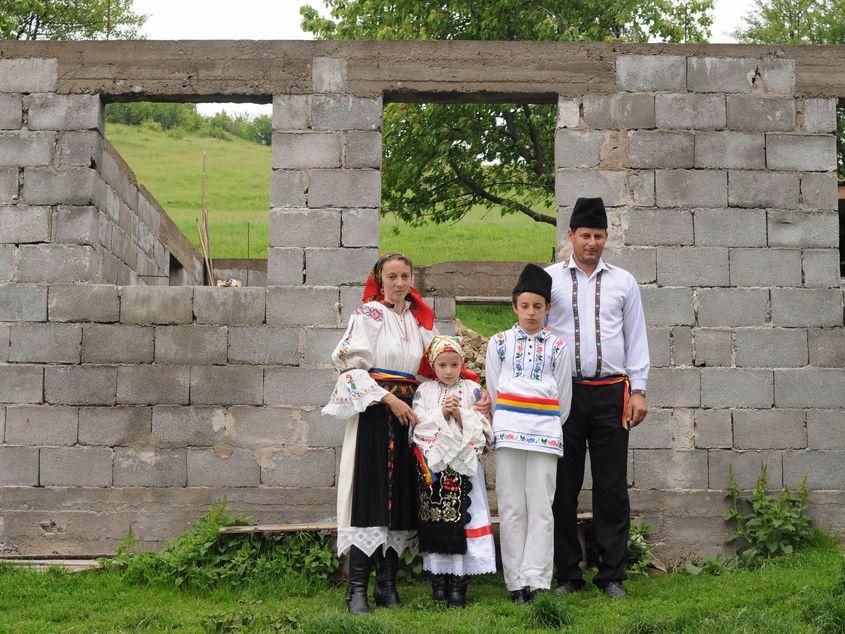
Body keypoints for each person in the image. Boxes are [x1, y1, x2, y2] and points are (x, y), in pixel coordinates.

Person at [322, 253, 490, 615]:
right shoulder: (367, 315)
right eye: (392, 277)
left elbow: (439, 370)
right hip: (375, 412)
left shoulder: (417, 323)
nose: (399, 283)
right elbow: (349, 367)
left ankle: (387, 585)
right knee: (370, 493)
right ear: (380, 280)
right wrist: (388, 399)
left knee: (400, 496)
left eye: (405, 277)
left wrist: (476, 393)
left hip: (410, 416)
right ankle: (357, 590)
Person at [546, 197, 650, 600]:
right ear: (570, 235)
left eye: (599, 235)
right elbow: (532, 327)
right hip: (564, 394)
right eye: (585, 235)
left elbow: (635, 338)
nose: (591, 243)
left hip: (612, 394)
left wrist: (638, 390)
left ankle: (611, 575)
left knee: (611, 486)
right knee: (563, 485)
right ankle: (568, 574)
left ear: (607, 237)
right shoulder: (549, 279)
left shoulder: (624, 282)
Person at [485, 264, 572, 604]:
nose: (531, 313)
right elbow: (493, 393)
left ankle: (536, 579)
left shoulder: (558, 348)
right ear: (515, 307)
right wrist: (507, 424)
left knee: (540, 507)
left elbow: (563, 400)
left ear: (548, 308)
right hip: (508, 436)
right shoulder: (500, 344)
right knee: (510, 507)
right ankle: (515, 582)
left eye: (538, 306)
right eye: (525, 306)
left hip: (545, 437)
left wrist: (545, 425)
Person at [411, 335, 496, 608]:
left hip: (465, 471)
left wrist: (461, 416)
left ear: (462, 363)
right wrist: (440, 414)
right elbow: (418, 424)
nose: (449, 370)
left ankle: (459, 585)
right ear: (433, 366)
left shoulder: (472, 390)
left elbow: (483, 425)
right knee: (436, 521)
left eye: (454, 364)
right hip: (436, 471)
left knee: (467, 522)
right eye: (443, 365)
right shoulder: (424, 392)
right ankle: (439, 582)